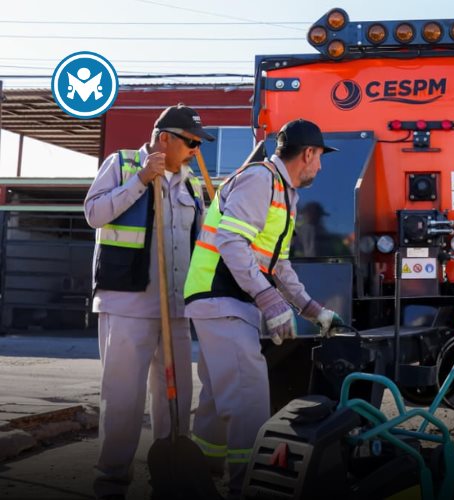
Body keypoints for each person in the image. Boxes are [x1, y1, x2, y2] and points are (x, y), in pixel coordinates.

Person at [183, 118, 343, 499]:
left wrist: (310, 309)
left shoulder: (285, 192)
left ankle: (199, 475)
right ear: (308, 154)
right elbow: (232, 241)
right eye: (320, 157)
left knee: (218, 398)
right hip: (220, 294)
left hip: (224, 300)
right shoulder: (260, 179)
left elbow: (277, 263)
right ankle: (245, 488)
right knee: (248, 397)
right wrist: (269, 300)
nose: (320, 166)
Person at [84, 104, 211, 499]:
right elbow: (93, 213)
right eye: (190, 142)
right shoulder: (121, 165)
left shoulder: (192, 184)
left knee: (175, 399)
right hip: (128, 306)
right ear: (165, 139)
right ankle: (111, 481)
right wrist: (141, 180)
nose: (195, 150)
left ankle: (169, 478)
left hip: (175, 308)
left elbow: (205, 241)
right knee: (123, 397)